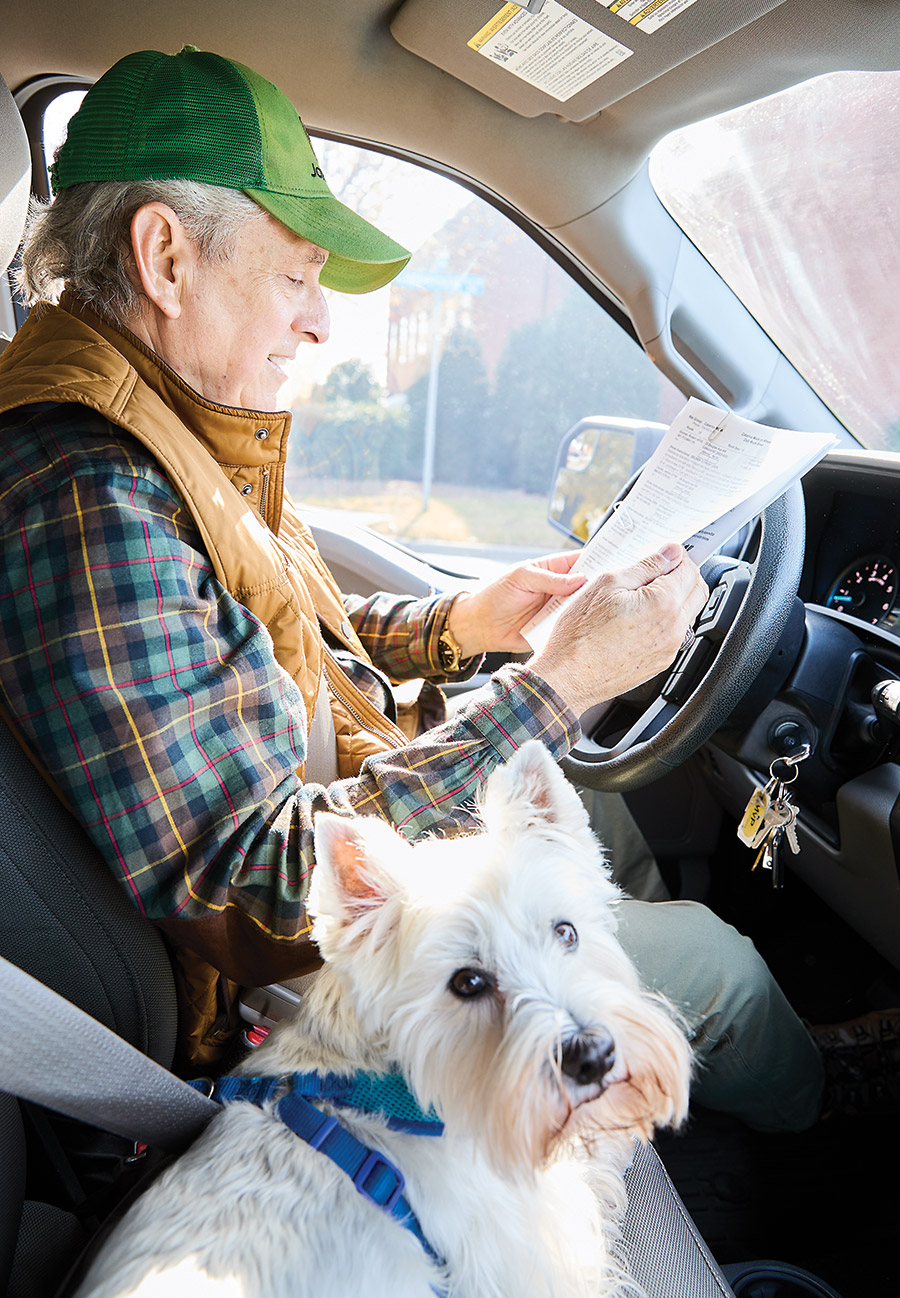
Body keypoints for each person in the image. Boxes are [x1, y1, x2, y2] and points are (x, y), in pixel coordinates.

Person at [0, 46, 826, 1132]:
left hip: (333, 873)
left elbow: (268, 626)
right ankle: (832, 1144)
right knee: (717, 968)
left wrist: (461, 624)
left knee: (603, 814)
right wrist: (560, 681)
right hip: (279, 985)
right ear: (164, 257)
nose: (319, 321)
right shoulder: (89, 488)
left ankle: (613, 1108)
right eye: (295, 275)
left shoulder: (169, 425)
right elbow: (256, 887)